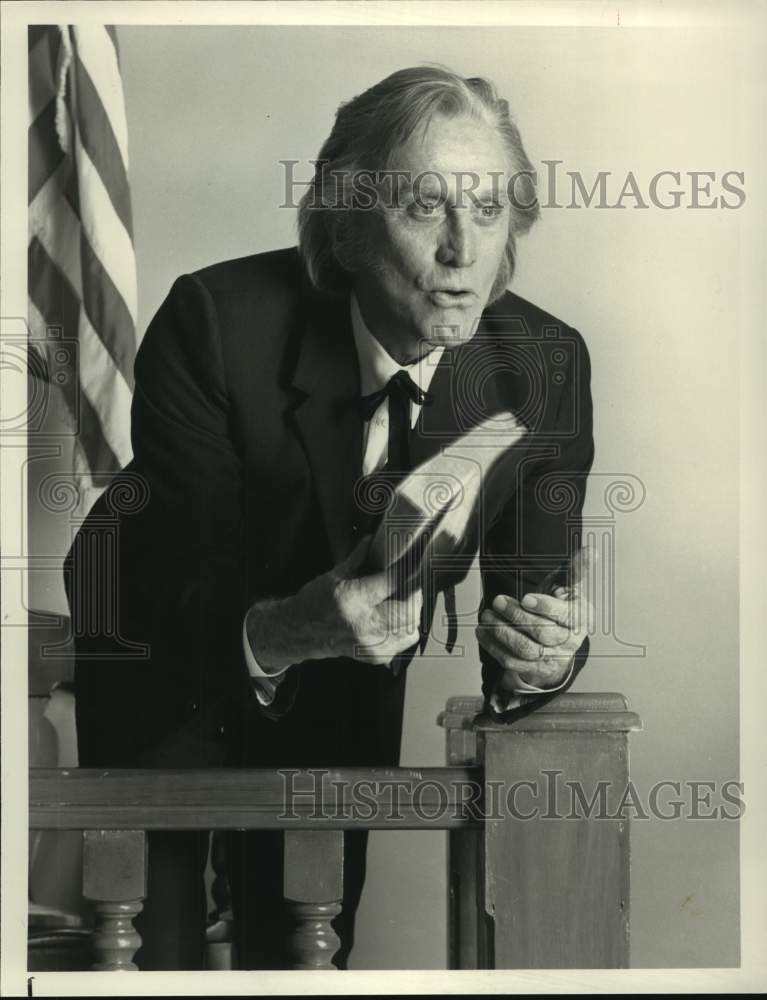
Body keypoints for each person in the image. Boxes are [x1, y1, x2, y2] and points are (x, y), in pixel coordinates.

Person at [65, 65, 594, 970]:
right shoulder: (215, 320)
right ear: (347, 224)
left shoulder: (541, 363)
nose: (463, 251)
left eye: (491, 208)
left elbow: (531, 604)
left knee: (303, 946)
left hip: (346, 677)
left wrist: (543, 652)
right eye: (425, 208)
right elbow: (181, 581)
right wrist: (288, 629)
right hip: (161, 646)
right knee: (161, 949)